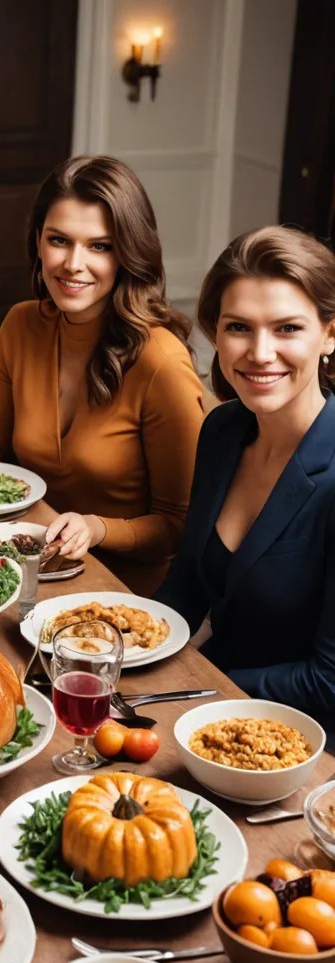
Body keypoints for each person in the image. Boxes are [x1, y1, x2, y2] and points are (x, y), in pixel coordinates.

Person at [0, 155, 204, 594]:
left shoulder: (161, 362)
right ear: (38, 240)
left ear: (129, 254)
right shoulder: (20, 325)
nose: (74, 264)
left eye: (100, 246)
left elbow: (182, 527)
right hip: (27, 567)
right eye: (60, 240)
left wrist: (98, 529)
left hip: (124, 594)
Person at [156, 226, 335, 747]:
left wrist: (188, 692)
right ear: (216, 333)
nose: (260, 352)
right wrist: (127, 651)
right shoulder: (223, 429)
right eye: (239, 327)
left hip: (303, 753)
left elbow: (328, 682)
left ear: (329, 333)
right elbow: (188, 582)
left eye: (286, 328)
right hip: (204, 714)